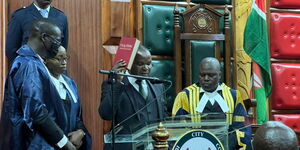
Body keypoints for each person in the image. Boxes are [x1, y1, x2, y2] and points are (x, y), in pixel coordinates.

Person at [0, 19, 75, 150]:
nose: (59, 46)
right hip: (33, 144)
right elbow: (36, 112)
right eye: (57, 41)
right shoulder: (29, 63)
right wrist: (64, 143)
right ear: (44, 38)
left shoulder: (31, 62)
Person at [172, 57, 252, 150]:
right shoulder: (185, 96)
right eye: (202, 75)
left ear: (219, 75)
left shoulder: (234, 96)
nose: (206, 78)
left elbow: (242, 129)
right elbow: (178, 131)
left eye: (211, 75)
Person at [99, 45, 167, 150]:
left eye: (149, 64)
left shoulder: (157, 85)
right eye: (140, 64)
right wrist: (117, 83)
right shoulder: (113, 84)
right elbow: (106, 114)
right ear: (129, 64)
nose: (146, 68)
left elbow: (164, 118)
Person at [44, 46, 92, 150]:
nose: (64, 62)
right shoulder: (43, 85)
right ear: (46, 60)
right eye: (59, 58)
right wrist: (64, 143)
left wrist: (81, 133)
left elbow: (77, 116)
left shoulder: (70, 83)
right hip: (50, 145)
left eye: (65, 58)